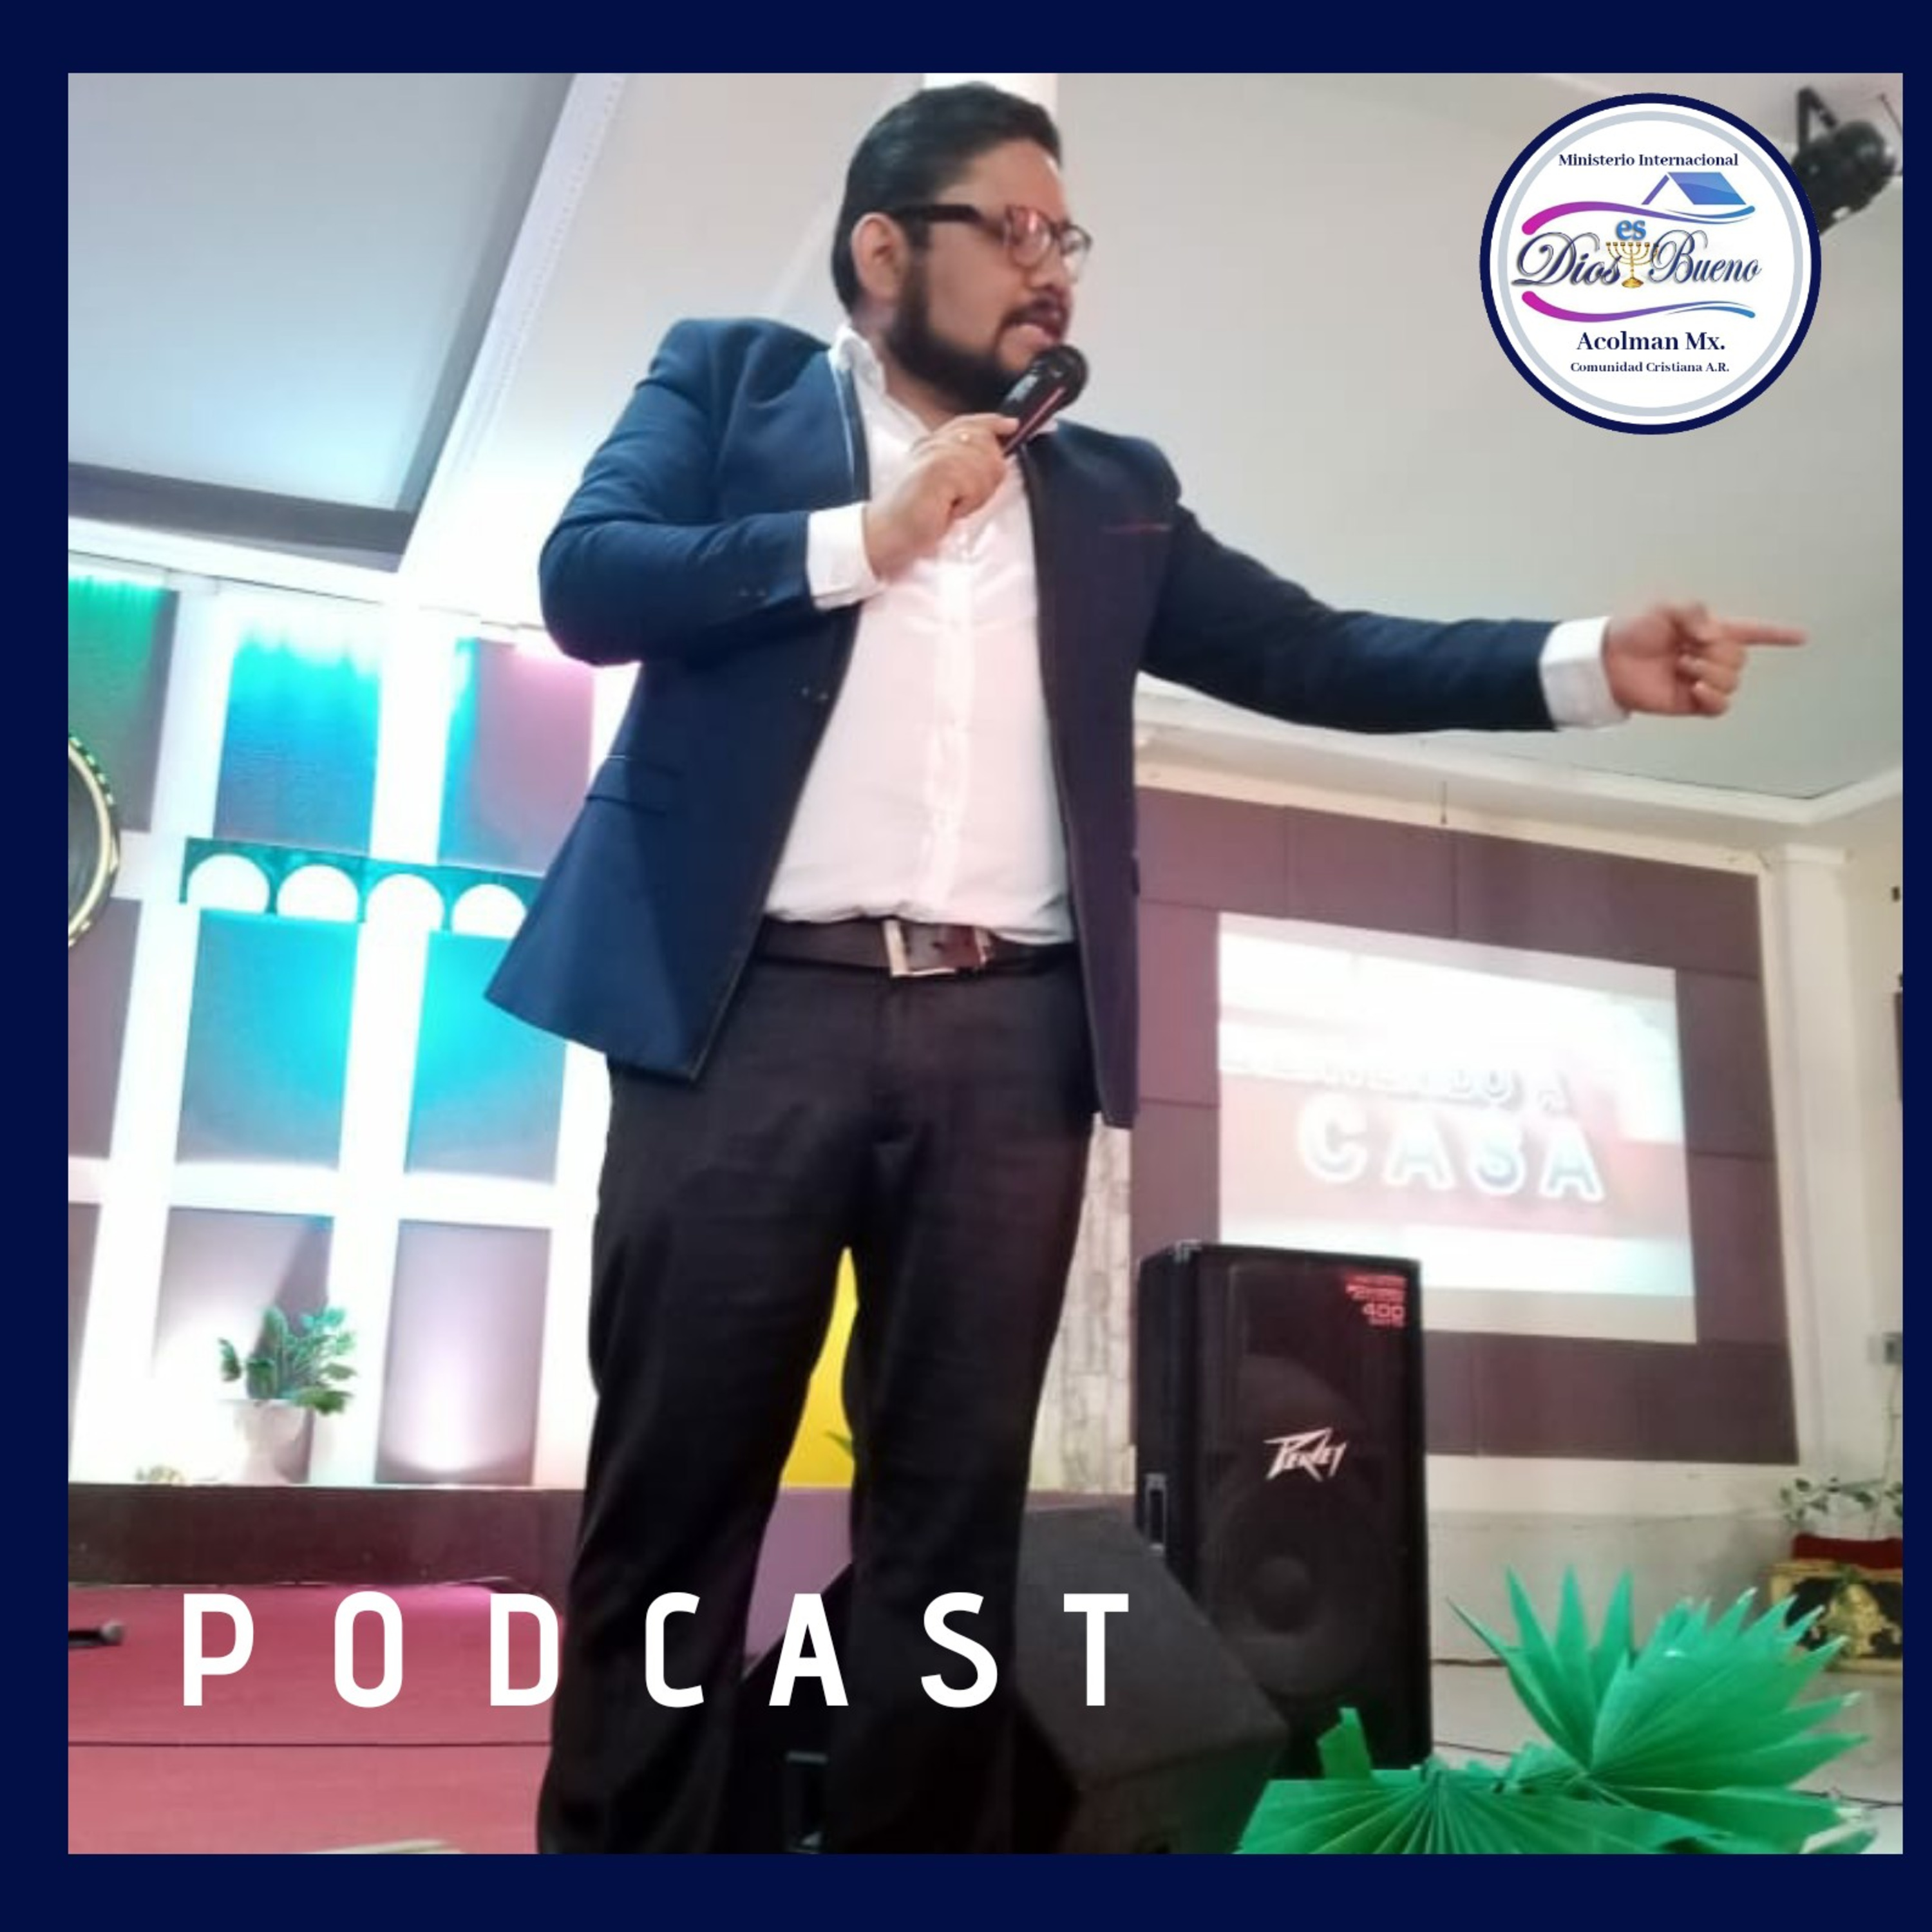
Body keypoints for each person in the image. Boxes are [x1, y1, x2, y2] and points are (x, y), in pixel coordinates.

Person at [486, 81, 1803, 1854]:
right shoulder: (729, 384)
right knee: (676, 1503)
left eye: (1071, 239)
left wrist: (1581, 662)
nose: (1057, 270)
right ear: (883, 250)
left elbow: (1321, 651)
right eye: (1015, 230)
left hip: (1008, 1047)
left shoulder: (1112, 491)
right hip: (742, 1021)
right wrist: (873, 536)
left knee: (951, 1524)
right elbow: (592, 580)